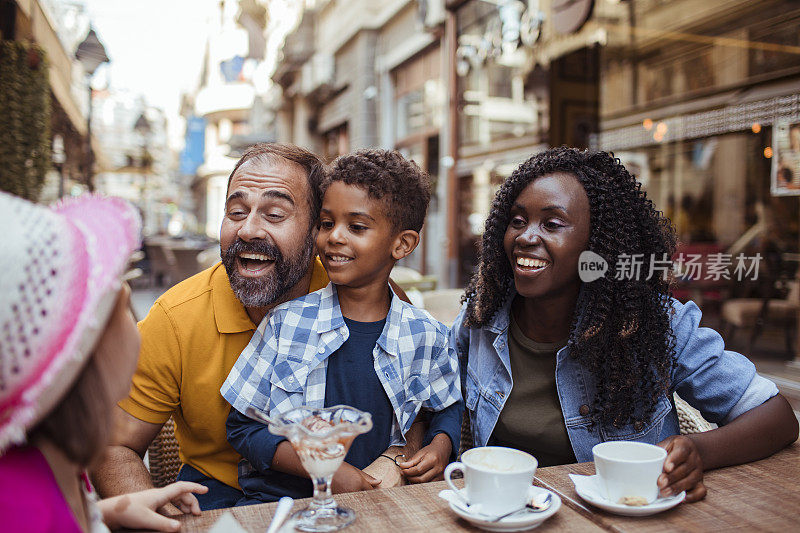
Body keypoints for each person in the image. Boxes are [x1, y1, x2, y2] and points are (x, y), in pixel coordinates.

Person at [451, 147, 798, 504]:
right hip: (504, 515)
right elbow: (437, 401)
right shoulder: (481, 318)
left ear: (599, 244)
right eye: (518, 221)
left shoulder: (655, 324)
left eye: (552, 224)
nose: (526, 236)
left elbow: (777, 418)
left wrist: (698, 451)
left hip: (621, 519)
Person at [93, 143, 417, 510]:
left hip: (351, 497)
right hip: (221, 497)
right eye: (236, 211)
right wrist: (148, 505)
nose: (247, 230)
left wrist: (398, 454)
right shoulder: (176, 317)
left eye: (275, 214)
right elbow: (114, 445)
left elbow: (422, 392)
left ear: (318, 231)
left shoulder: (367, 296)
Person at [221, 149, 462, 504]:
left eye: (357, 226)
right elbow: (243, 427)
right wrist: (328, 468)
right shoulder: (286, 323)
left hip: (384, 502)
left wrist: (442, 445)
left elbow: (446, 405)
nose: (334, 237)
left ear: (403, 243)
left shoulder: (426, 334)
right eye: (326, 223)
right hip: (281, 503)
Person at [0, 192, 207, 532]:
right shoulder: (23, 510)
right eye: (120, 298)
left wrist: (109, 511)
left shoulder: (48, 467)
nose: (138, 318)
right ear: (88, 349)